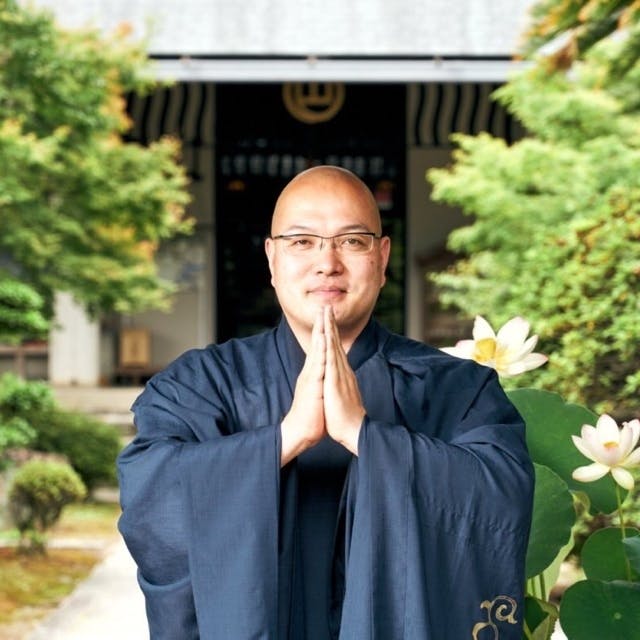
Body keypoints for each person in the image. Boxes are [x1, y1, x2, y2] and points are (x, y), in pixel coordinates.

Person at [117, 165, 534, 640]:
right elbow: (152, 494)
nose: (327, 263)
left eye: (352, 241)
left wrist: (363, 434)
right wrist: (284, 439)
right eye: (302, 242)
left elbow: (502, 499)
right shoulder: (200, 385)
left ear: (382, 257)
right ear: (272, 258)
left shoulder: (458, 389)